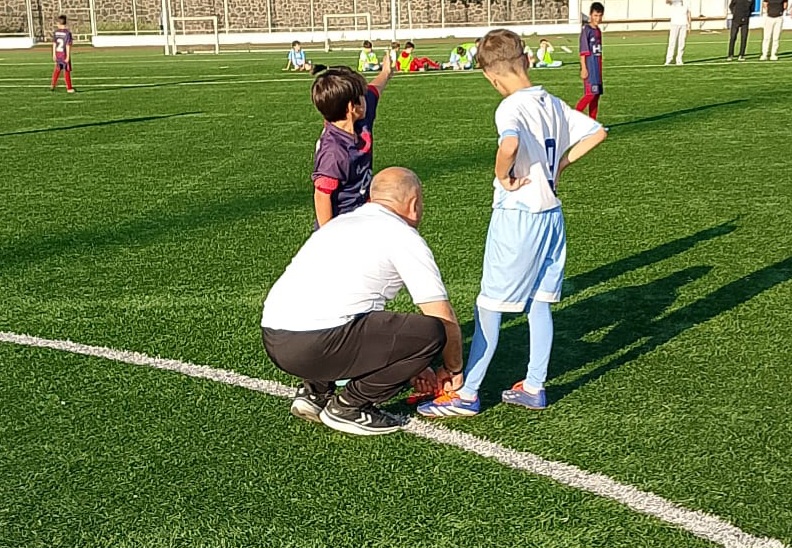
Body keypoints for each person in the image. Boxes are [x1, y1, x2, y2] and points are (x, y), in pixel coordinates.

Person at [418, 29, 607, 418]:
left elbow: (509, 145)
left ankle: (467, 394)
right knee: (540, 302)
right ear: (525, 61)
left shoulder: (509, 108)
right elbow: (597, 131)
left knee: (490, 305)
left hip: (518, 217)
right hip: (552, 215)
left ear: (492, 76)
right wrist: (561, 166)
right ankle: (534, 385)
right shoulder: (550, 101)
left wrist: (503, 175)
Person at [262, 167, 464, 435]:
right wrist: (452, 367)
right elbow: (441, 315)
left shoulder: (339, 223)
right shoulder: (402, 236)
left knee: (341, 313)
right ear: (414, 205)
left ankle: (315, 391)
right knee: (431, 332)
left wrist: (416, 365)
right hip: (317, 344)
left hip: (275, 339)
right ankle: (350, 405)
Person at [311, 56, 393, 227]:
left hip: (363, 213)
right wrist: (329, 235)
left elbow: (374, 88)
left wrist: (386, 72)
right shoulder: (334, 152)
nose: (367, 97)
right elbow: (322, 196)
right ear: (351, 107)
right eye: (362, 96)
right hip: (342, 223)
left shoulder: (360, 118)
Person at [576, 2, 605, 120]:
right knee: (590, 94)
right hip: (590, 65)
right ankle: (571, 118)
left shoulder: (598, 30)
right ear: (590, 15)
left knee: (596, 95)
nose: (597, 18)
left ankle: (593, 124)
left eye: (600, 15)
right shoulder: (586, 30)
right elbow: (583, 50)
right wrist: (583, 67)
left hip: (597, 66)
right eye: (595, 15)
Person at [51, 15, 75, 93]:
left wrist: (54, 54)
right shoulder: (67, 33)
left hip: (58, 54)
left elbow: (54, 43)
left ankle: (53, 84)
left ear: (59, 23)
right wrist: (68, 56)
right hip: (64, 54)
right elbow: (68, 45)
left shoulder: (56, 32)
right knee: (66, 70)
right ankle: (69, 88)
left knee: (57, 69)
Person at [665, 0, 691, 65]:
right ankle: (669, 59)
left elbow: (689, 13)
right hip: (674, 23)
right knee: (672, 42)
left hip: (684, 24)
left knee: (682, 43)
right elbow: (667, 1)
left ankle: (679, 59)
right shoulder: (675, 1)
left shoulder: (687, 2)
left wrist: (689, 24)